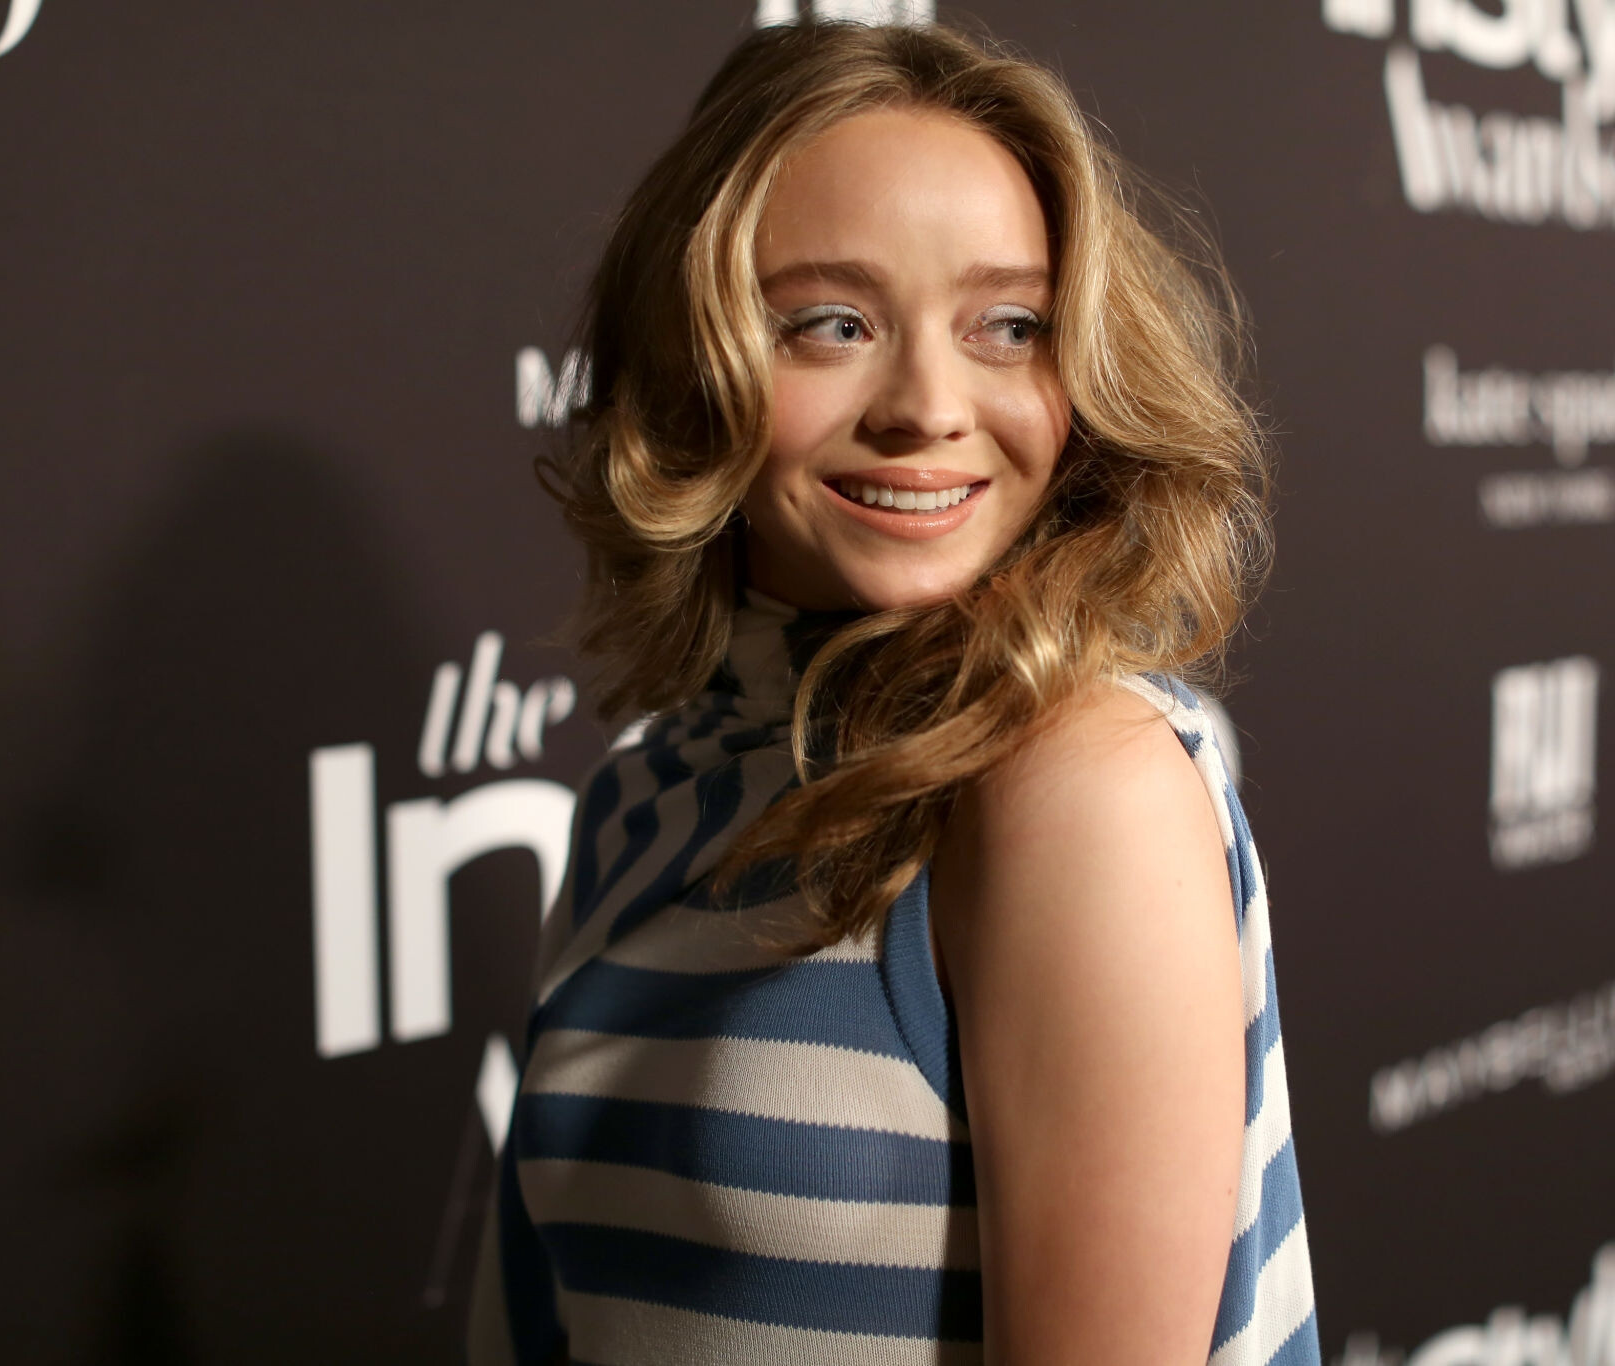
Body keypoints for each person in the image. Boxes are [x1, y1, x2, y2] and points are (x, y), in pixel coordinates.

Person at [469, 18, 1318, 1365]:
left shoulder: (1074, 784)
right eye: (833, 324)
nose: (928, 404)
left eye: (1009, 326)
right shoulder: (643, 793)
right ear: (694, 359)